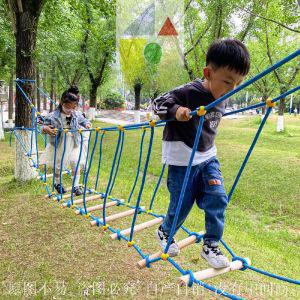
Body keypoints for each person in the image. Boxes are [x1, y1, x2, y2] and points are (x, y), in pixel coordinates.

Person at [152, 39, 250, 269]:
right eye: (227, 81)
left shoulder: (223, 96)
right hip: (182, 159)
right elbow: (157, 103)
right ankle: (165, 231)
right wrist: (177, 111)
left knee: (218, 198)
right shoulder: (189, 91)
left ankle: (211, 245)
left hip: (207, 157)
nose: (231, 89)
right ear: (208, 72)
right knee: (181, 205)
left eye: (237, 84)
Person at [40, 88, 91, 196]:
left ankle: (76, 186)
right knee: (58, 165)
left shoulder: (76, 114)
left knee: (75, 161)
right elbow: (42, 126)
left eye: (73, 107)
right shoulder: (53, 115)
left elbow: (84, 120)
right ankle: (57, 183)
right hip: (60, 144)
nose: (70, 110)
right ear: (62, 103)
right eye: (68, 107)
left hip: (74, 142)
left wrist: (87, 124)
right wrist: (45, 129)